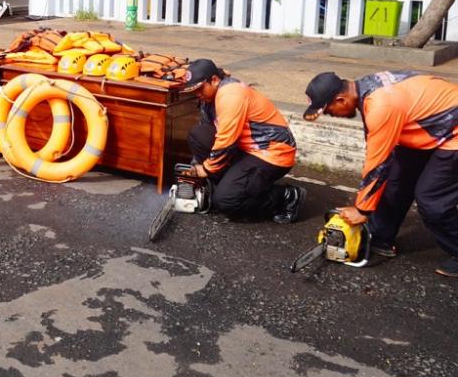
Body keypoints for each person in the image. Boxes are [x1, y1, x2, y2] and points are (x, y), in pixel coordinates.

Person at [302, 71, 458, 278]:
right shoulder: (367, 89)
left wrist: (362, 210)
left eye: (329, 110)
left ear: (341, 99)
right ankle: (381, 237)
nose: (330, 114)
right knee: (396, 179)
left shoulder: (381, 106)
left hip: (451, 130)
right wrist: (363, 201)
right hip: (431, 125)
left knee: (432, 199)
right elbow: (380, 160)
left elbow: (378, 162)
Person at [183, 59, 304, 224]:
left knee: (226, 201)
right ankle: (230, 184)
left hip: (272, 154)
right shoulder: (208, 98)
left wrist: (205, 169)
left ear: (214, 80)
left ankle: (286, 196)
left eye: (200, 89)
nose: (197, 94)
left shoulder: (230, 95)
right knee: (198, 135)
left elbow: (225, 142)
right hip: (245, 147)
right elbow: (210, 133)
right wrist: (195, 164)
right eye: (193, 91)